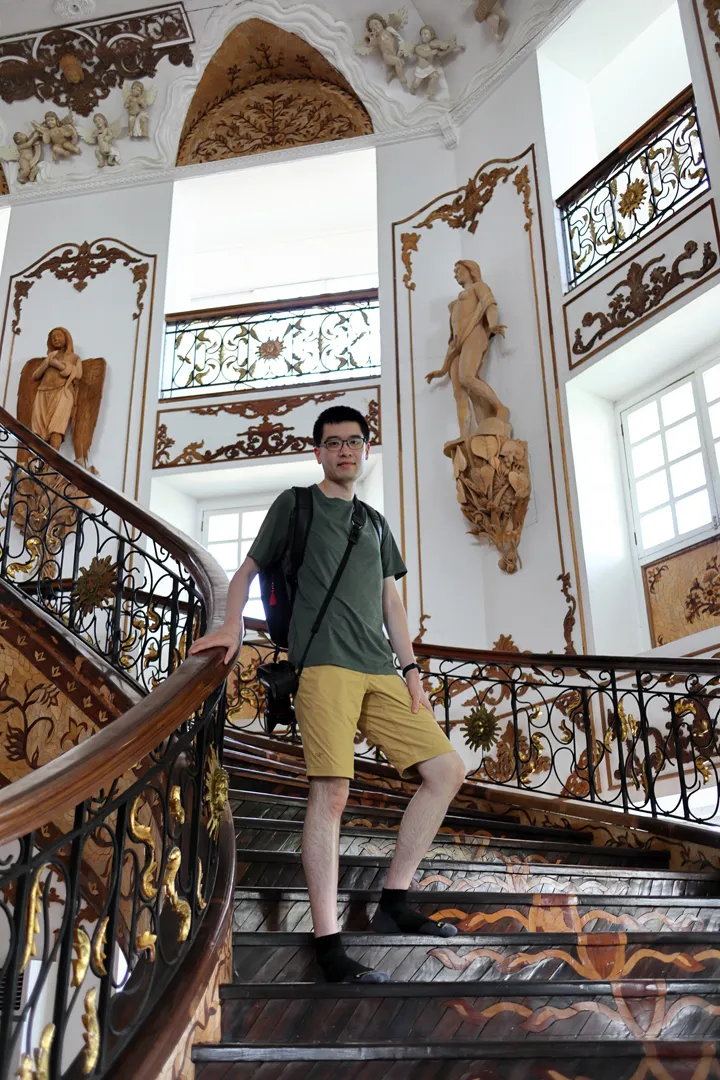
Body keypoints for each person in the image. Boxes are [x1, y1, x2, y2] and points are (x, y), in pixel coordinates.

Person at [190, 405, 466, 983]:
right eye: (334, 442)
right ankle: (328, 942)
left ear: (366, 450)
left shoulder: (375, 523)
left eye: (355, 442)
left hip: (381, 670)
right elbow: (245, 571)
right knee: (332, 793)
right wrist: (231, 626)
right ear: (317, 451)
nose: (345, 450)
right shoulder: (296, 504)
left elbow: (391, 602)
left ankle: (394, 902)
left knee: (445, 771)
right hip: (323, 667)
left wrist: (411, 668)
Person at [426, 259, 509, 437]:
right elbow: (453, 337)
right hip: (458, 344)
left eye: (458, 270)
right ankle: (465, 436)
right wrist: (442, 370)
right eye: (454, 271)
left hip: (474, 334)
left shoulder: (478, 287)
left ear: (471, 271)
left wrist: (493, 325)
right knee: (459, 392)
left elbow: (489, 305)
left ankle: (500, 408)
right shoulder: (455, 305)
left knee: (467, 377)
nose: (455, 274)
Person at [30, 327, 83, 450]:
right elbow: (35, 376)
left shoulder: (74, 358)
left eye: (59, 335)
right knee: (37, 431)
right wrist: (47, 362)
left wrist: (56, 364)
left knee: (56, 429)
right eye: (53, 337)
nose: (55, 338)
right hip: (43, 393)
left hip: (62, 393)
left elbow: (78, 374)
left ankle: (51, 466)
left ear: (67, 338)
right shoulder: (49, 357)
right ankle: (34, 462)